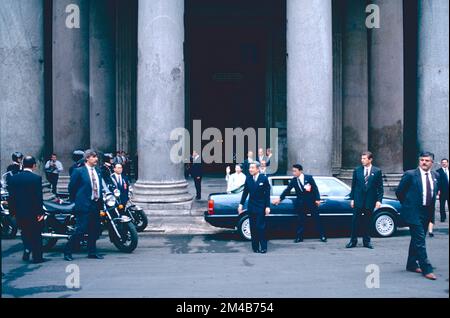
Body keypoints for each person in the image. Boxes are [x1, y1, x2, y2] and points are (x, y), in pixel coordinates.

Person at [395, 151, 439, 280]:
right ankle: (426, 268)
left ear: (432, 163)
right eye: (422, 160)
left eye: (427, 160)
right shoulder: (410, 175)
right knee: (420, 239)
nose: (424, 162)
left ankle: (411, 264)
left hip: (427, 212)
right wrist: (408, 205)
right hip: (413, 212)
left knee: (416, 239)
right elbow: (399, 192)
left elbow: (433, 193)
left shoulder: (435, 175)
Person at [64, 149, 105, 261]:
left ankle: (92, 251)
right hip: (83, 205)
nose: (96, 159)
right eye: (93, 157)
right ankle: (67, 250)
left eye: (96, 157)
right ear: (87, 158)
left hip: (95, 204)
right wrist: (76, 201)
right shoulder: (79, 171)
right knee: (81, 229)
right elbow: (72, 187)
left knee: (94, 229)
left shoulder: (98, 170)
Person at [272, 164, 327, 243]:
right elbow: (287, 190)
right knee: (301, 220)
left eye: (295, 171)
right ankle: (299, 237)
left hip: (311, 203)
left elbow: (315, 188)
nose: (293, 173)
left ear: (300, 171)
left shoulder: (309, 178)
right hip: (301, 204)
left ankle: (322, 236)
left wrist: (317, 199)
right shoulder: (294, 180)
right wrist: (280, 198)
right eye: (293, 171)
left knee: (316, 220)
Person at [8, 156, 47, 264]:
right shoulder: (36, 178)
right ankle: (37, 257)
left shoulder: (13, 178)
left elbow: (11, 197)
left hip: (19, 212)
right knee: (36, 234)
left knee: (24, 232)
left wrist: (12, 212)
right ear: (34, 166)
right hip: (33, 212)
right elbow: (38, 197)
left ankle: (27, 248)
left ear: (23, 165)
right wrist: (40, 212)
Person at [346, 151, 383, 249]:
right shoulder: (357, 170)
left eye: (364, 158)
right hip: (358, 200)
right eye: (361, 158)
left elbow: (380, 188)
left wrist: (379, 200)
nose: (362, 160)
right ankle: (353, 241)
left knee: (367, 221)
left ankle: (367, 241)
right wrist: (352, 199)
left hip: (370, 201)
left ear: (370, 159)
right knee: (355, 221)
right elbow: (353, 186)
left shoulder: (377, 171)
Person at [238, 162, 271, 253]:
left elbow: (267, 194)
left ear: (257, 169)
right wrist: (241, 204)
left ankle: (263, 247)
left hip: (261, 206)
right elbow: (245, 193)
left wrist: (267, 206)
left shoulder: (263, 179)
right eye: (249, 168)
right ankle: (255, 247)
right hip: (251, 206)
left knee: (261, 227)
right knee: (253, 227)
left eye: (252, 168)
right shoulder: (248, 179)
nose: (250, 169)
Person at [436, 158, 449, 223]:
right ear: (441, 163)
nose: (444, 163)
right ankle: (443, 218)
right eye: (443, 162)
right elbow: (437, 182)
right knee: (442, 205)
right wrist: (438, 190)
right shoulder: (438, 171)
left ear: (448, 163)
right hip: (442, 191)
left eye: (445, 162)